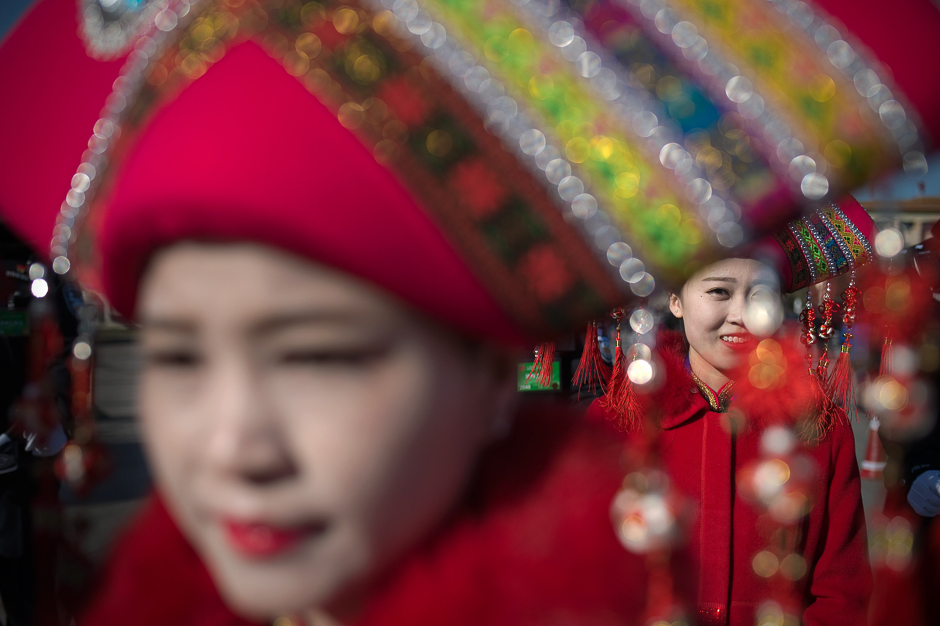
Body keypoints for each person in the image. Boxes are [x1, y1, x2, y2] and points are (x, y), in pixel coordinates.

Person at [588, 200, 875, 625]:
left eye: (760, 296)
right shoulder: (613, 423)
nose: (741, 317)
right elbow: (583, 581)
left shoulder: (821, 429)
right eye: (719, 292)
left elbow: (844, 595)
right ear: (676, 299)